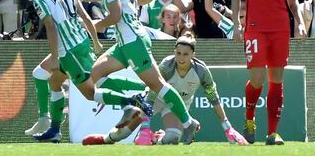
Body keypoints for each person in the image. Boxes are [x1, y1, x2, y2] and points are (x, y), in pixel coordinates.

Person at [30, 0, 152, 143]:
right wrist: (94, 41)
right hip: (80, 42)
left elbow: (51, 27)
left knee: (90, 92)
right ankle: (52, 126)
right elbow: (86, 17)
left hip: (68, 50)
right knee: (51, 80)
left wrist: (55, 57)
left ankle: (131, 102)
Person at [88, 0, 200, 144]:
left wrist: (91, 26)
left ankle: (188, 122)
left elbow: (115, 16)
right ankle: (129, 104)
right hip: (126, 42)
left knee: (158, 85)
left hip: (133, 42)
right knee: (95, 74)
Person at [83, 35, 248, 146]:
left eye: (185, 54)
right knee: (124, 133)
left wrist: (228, 128)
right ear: (174, 52)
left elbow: (214, 99)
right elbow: (152, 93)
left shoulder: (201, 71)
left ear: (193, 55)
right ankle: (105, 139)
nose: (181, 58)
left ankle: (158, 138)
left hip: (177, 106)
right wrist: (145, 126)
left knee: (172, 139)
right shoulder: (167, 66)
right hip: (154, 100)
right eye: (178, 53)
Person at [232, 0, 306, 145]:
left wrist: (299, 22)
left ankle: (272, 133)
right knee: (257, 78)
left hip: (280, 28)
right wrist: (236, 23)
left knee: (276, 79)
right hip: (255, 28)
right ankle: (249, 119)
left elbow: (292, 0)